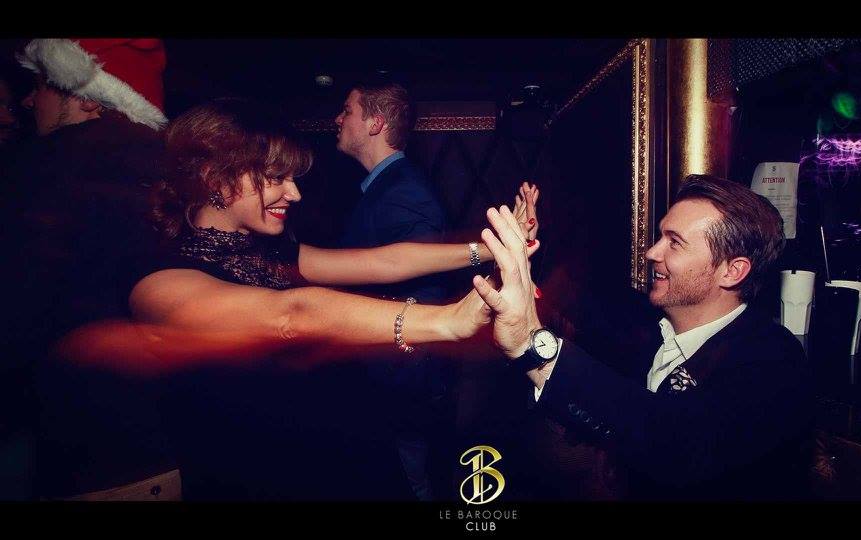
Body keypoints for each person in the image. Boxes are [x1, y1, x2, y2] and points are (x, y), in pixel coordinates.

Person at [126, 98, 537, 500]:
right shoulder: (160, 280)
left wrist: (492, 248)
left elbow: (385, 262)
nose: (295, 193)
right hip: (264, 480)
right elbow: (290, 315)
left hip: (341, 458)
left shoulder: (271, 252)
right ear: (215, 178)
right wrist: (448, 320)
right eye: (276, 177)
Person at [472, 174, 815, 500]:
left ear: (731, 271)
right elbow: (571, 295)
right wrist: (523, 249)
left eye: (675, 243)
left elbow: (678, 445)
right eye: (661, 236)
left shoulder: (773, 361)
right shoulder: (646, 322)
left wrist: (532, 347)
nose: (652, 252)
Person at [333, 81, 538, 499]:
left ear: (375, 123)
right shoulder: (385, 187)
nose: (338, 118)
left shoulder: (405, 191)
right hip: (387, 376)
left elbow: (418, 283)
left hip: (400, 379)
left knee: (413, 481)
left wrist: (398, 389)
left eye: (347, 110)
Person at [0, 38, 173, 500]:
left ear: (87, 97)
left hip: (72, 435)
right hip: (154, 437)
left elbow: (17, 306)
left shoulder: (38, 168)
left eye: (43, 84)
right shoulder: (167, 166)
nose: (29, 100)